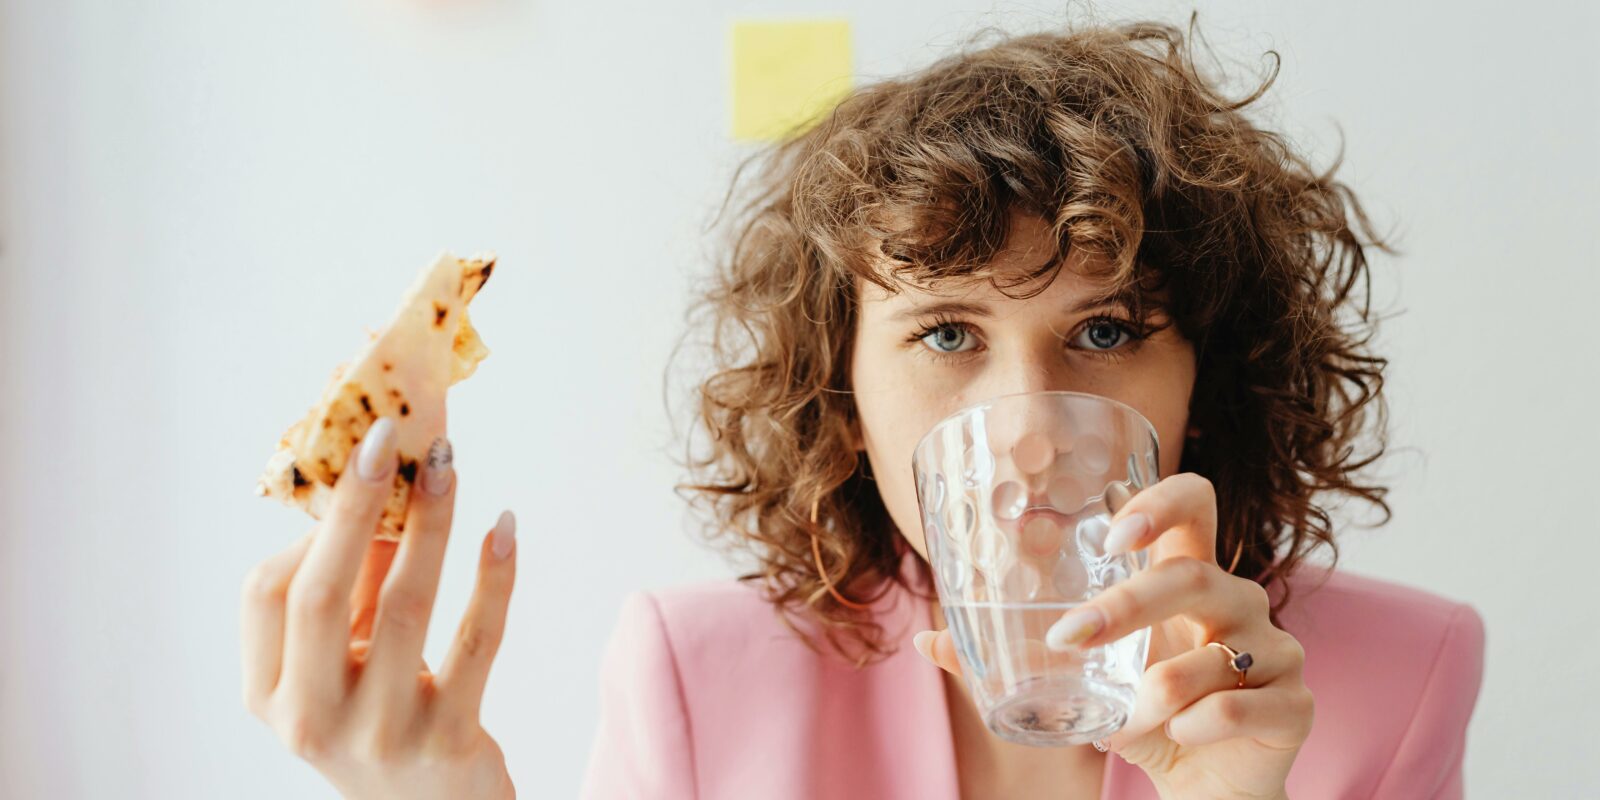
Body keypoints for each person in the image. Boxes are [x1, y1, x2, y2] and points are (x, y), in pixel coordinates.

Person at [238, 16, 1485, 800]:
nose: (1035, 422)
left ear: (1211, 376)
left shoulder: (1395, 679)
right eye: (946, 332)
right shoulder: (698, 678)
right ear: (842, 392)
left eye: (1104, 329)